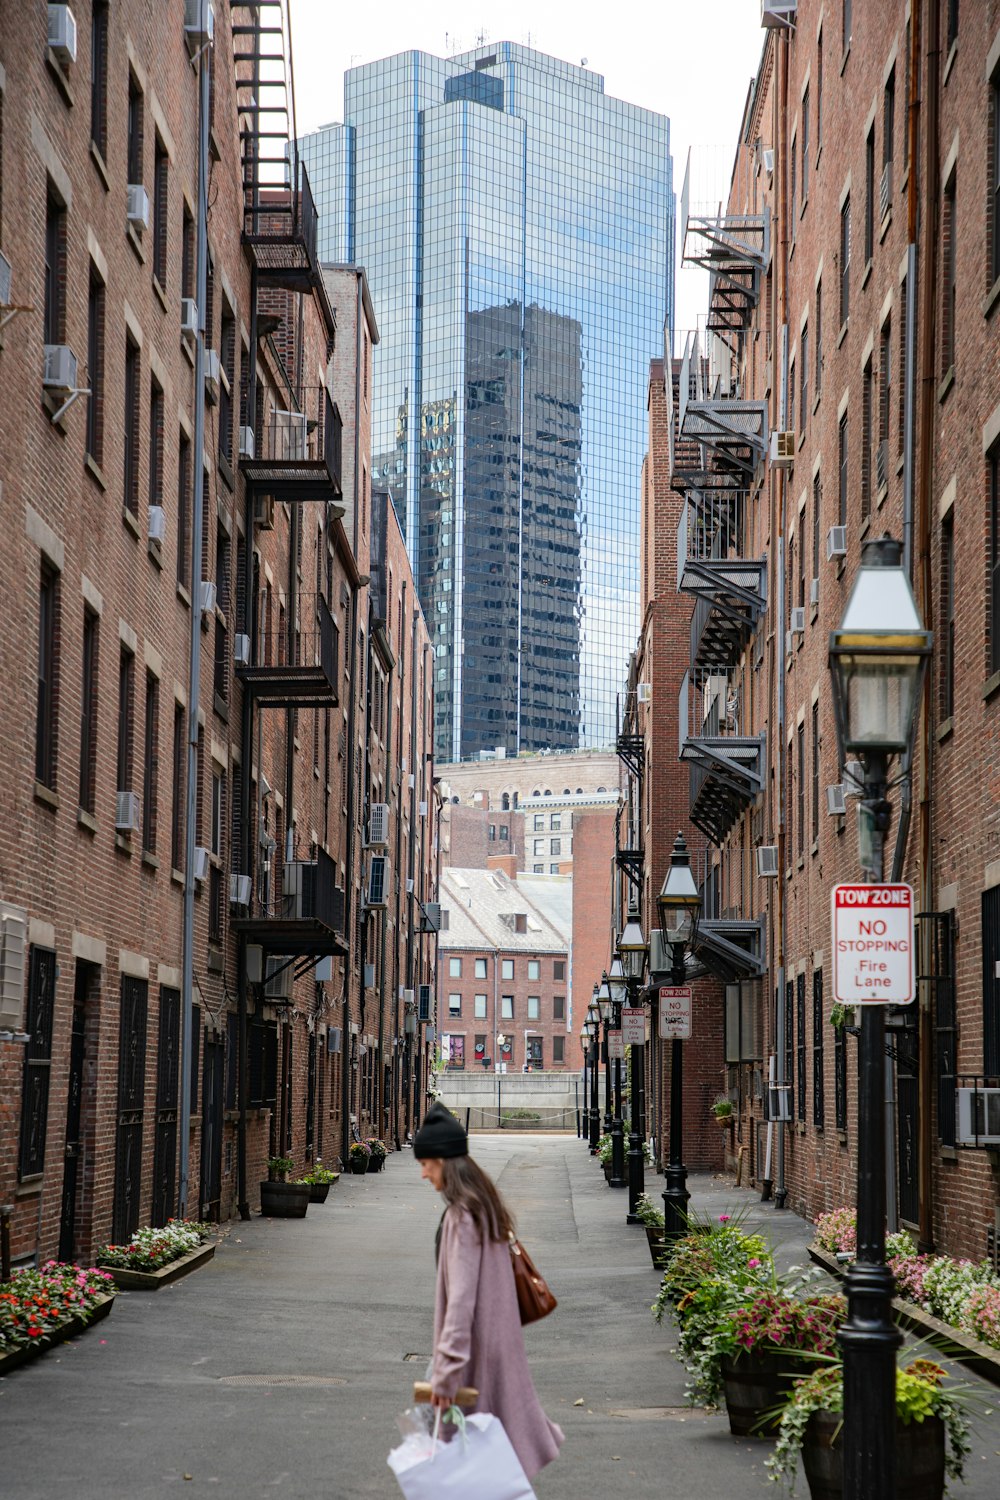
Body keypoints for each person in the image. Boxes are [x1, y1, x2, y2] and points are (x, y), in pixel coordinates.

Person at [413, 1102, 564, 1481]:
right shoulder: (486, 1208)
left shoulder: (462, 1217)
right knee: (490, 1461)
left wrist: (445, 1374)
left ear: (444, 1161)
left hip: (473, 1360)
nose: (423, 1173)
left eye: (426, 1163)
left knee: (469, 1464)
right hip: (497, 1350)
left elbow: (461, 1304)